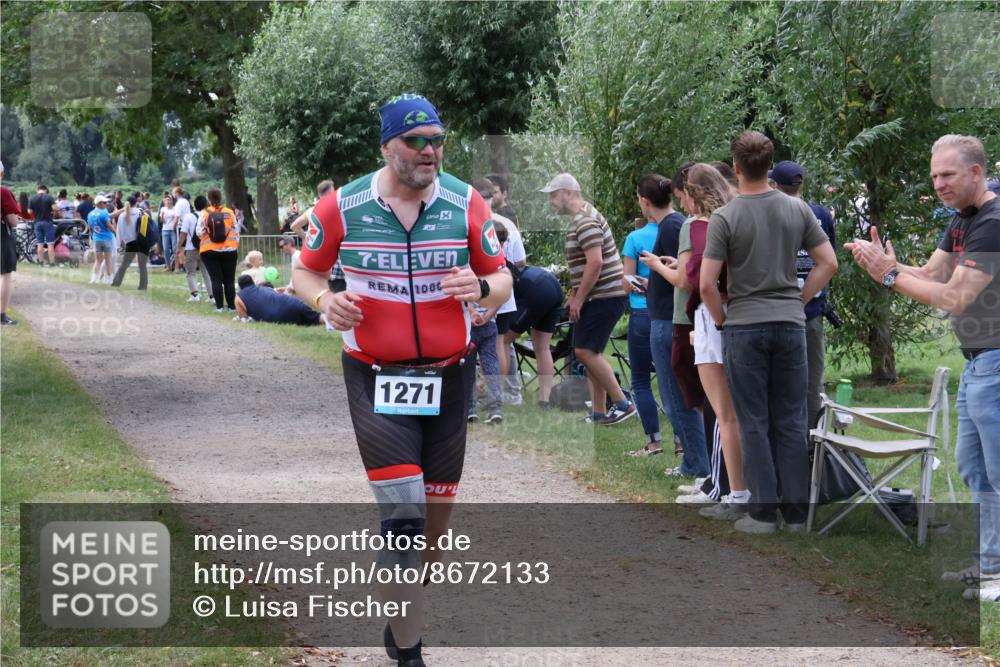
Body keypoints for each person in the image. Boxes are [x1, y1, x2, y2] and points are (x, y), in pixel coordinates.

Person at [291, 93, 511, 667]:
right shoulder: (344, 206)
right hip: (374, 376)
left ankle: (400, 615)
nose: (429, 151)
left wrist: (482, 291)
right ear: (386, 146)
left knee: (435, 520)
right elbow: (305, 271)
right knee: (404, 513)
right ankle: (409, 651)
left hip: (450, 375)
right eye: (415, 141)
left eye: (437, 140)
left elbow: (502, 277)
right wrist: (324, 300)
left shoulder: (466, 203)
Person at [846, 134, 999, 601]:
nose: (938, 184)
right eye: (935, 175)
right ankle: (991, 566)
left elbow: (954, 297)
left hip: (996, 362)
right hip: (976, 363)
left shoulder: (993, 223)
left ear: (976, 172)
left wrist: (890, 277)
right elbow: (933, 276)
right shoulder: (963, 219)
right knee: (974, 468)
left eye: (947, 174)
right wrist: (890, 266)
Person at [700, 131, 837, 534]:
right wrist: (798, 299)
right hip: (790, 325)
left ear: (737, 168)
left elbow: (707, 284)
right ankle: (796, 516)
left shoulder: (726, 217)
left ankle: (762, 514)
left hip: (745, 325)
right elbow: (827, 263)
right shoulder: (798, 210)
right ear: (771, 166)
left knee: (753, 419)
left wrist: (722, 319)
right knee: (792, 417)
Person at [681, 163, 750, 520]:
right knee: (741, 411)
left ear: (694, 194)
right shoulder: (739, 215)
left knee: (725, 413)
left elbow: (699, 280)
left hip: (716, 314)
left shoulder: (701, 228)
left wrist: (716, 320)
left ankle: (733, 490)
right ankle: (737, 487)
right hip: (746, 309)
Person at [542, 172, 635, 425]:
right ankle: (598, 412)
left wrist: (579, 299)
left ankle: (623, 404)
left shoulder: (584, 222)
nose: (551, 201)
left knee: (584, 351)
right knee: (592, 351)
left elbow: (595, 263)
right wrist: (574, 294)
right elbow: (584, 265)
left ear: (568, 193)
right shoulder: (583, 217)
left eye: (553, 195)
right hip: (602, 296)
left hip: (604, 296)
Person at [635, 173, 710, 479]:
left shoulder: (676, 225)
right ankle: (694, 461)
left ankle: (696, 463)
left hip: (670, 320)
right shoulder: (675, 224)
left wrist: (655, 267)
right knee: (674, 397)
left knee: (677, 398)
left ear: (644, 201)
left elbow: (687, 278)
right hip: (666, 316)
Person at [769, 160, 837, 426]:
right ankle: (811, 437)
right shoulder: (820, 213)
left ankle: (784, 433)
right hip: (811, 310)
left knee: (779, 378)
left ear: (775, 185)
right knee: (812, 379)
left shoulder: (770, 215)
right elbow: (829, 259)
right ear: (802, 184)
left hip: (777, 310)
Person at [621, 179, 664, 454]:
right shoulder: (679, 229)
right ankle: (683, 444)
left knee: (639, 380)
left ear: (644, 201)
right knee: (670, 379)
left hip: (641, 311)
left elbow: (627, 282)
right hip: (671, 313)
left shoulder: (635, 238)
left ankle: (653, 441)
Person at [472, 177, 524, 406]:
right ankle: (497, 394)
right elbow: (521, 261)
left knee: (490, 346)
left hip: (482, 293)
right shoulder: (507, 223)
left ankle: (493, 394)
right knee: (501, 344)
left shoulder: (473, 221)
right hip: (505, 290)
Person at [501, 261, 564, 407]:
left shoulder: (494, 273)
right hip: (553, 286)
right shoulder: (506, 265)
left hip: (537, 289)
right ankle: (544, 401)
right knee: (542, 347)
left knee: (503, 341)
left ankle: (495, 392)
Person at [197, 187, 239, 312]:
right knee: (229, 280)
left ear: (209, 199)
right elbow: (236, 231)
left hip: (209, 251)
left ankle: (219, 307)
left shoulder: (204, 213)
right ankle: (232, 307)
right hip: (229, 250)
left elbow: (198, 232)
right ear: (221, 198)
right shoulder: (229, 212)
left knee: (216, 280)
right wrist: (235, 245)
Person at [234, 274, 323, 325]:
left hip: (277, 316)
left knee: (303, 322)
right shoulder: (264, 288)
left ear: (240, 286)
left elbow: (244, 318)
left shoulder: (239, 297)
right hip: (294, 303)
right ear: (252, 282)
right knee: (317, 318)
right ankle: (332, 320)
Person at [176, 195, 212, 301]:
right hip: (206, 247)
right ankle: (212, 296)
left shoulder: (188, 217)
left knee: (191, 272)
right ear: (206, 205)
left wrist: (179, 246)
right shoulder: (209, 215)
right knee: (206, 273)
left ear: (194, 205)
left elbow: (183, 233)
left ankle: (195, 295)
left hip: (191, 248)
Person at [111, 195, 149, 290]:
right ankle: (143, 286)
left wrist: (119, 244)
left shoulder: (122, 215)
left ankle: (116, 283)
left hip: (130, 243)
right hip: (142, 242)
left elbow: (119, 231)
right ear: (136, 203)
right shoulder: (141, 213)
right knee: (142, 266)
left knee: (124, 264)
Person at [1, 160, 21, 325]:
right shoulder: (4, 192)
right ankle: (1, 316)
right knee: (5, 275)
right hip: (2, 236)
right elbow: (13, 221)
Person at [87, 195, 116, 284]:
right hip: (107, 238)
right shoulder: (104, 213)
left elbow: (90, 227)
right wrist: (116, 232)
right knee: (108, 260)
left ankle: (93, 279)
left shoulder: (90, 214)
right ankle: (110, 280)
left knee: (98, 260)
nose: (106, 204)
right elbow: (109, 226)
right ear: (99, 203)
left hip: (97, 239)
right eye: (104, 202)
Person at [29, 185, 57, 266]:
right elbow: (55, 208)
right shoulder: (49, 197)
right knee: (50, 244)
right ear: (45, 189)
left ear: (38, 190)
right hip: (47, 222)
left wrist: (36, 211)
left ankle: (41, 262)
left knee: (40, 243)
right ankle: (52, 263)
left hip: (37, 222)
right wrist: (51, 212)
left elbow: (29, 211)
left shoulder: (33, 198)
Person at [158, 194, 179, 271]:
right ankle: (168, 266)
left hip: (173, 230)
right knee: (166, 249)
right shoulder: (163, 209)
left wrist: (174, 226)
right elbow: (161, 221)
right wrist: (162, 216)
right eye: (166, 200)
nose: (167, 201)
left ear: (171, 200)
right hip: (165, 230)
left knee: (174, 248)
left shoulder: (175, 209)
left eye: (168, 199)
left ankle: (175, 265)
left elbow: (177, 218)